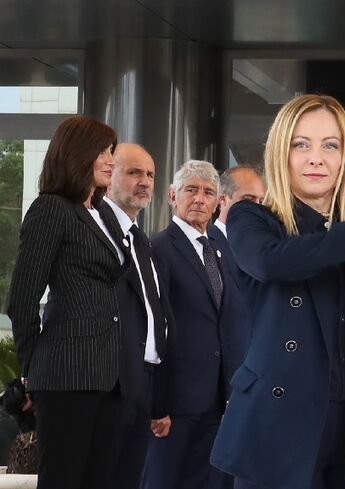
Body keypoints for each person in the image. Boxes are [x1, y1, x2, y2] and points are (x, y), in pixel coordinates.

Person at [210, 94, 345, 489]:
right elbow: (271, 263)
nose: (316, 158)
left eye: (330, 145)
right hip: (278, 430)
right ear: (281, 153)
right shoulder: (254, 218)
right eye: (301, 144)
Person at [7, 116, 130, 489]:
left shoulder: (103, 211)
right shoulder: (51, 209)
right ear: (78, 154)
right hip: (65, 374)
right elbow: (23, 298)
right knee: (63, 478)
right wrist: (32, 368)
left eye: (112, 151)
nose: (111, 160)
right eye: (104, 151)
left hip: (106, 374)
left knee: (99, 478)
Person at [142, 160, 248, 489]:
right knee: (164, 481)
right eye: (191, 190)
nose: (200, 199)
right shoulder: (158, 248)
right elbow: (153, 328)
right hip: (175, 403)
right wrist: (158, 401)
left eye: (208, 193)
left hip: (219, 401)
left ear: (218, 202)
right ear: (173, 196)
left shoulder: (222, 249)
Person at [103, 143, 173, 489]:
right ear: (109, 175)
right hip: (109, 383)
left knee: (130, 479)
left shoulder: (142, 240)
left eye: (150, 175)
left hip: (144, 384)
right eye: (134, 172)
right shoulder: (94, 228)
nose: (145, 181)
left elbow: (153, 314)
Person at [214, 166, 267, 238]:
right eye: (248, 199)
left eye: (261, 202)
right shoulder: (205, 243)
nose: (257, 208)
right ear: (223, 199)